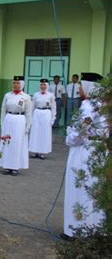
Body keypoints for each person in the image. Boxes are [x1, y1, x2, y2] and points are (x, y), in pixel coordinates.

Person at [62, 72, 107, 240]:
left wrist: (68, 137)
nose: (79, 88)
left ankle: (76, 230)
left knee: (79, 188)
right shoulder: (103, 104)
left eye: (81, 85)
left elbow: (79, 134)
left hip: (84, 151)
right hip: (99, 149)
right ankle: (95, 228)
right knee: (93, 189)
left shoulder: (87, 106)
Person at [0, 76, 32, 176]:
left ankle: (15, 167)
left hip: (20, 120)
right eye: (14, 83)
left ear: (22, 84)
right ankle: (7, 165)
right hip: (8, 119)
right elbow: (3, 110)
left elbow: (28, 113)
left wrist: (27, 127)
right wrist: (2, 123)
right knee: (7, 143)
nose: (15, 85)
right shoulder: (7, 95)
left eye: (17, 83)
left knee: (17, 144)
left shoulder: (26, 97)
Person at [29, 79, 56, 160]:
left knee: (44, 133)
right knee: (36, 132)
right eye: (41, 85)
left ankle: (42, 152)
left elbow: (54, 107)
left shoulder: (51, 95)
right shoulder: (36, 94)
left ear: (47, 86)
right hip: (37, 113)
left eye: (44, 85)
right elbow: (32, 106)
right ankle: (35, 151)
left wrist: (53, 118)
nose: (43, 86)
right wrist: (31, 117)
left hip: (46, 113)